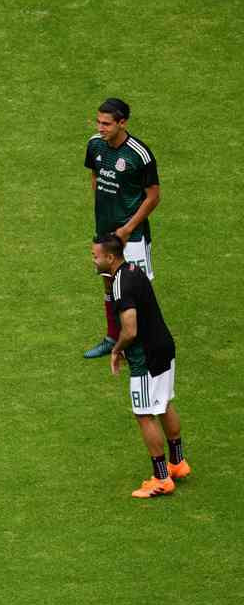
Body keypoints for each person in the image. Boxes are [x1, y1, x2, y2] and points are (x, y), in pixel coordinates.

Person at [92, 234, 189, 498]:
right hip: (164, 346)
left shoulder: (120, 283)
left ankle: (161, 479)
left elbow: (130, 329)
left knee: (144, 414)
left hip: (145, 357)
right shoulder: (134, 269)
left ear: (110, 257)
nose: (93, 259)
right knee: (164, 402)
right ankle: (177, 463)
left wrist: (116, 349)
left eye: (95, 256)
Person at [83, 98, 160, 358]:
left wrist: (127, 228)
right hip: (104, 232)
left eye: (106, 123)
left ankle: (142, 346)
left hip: (133, 235)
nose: (100, 127)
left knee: (137, 288)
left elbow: (153, 197)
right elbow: (95, 175)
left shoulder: (140, 155)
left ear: (122, 123)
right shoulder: (95, 145)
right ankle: (112, 337)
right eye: (99, 121)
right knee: (108, 283)